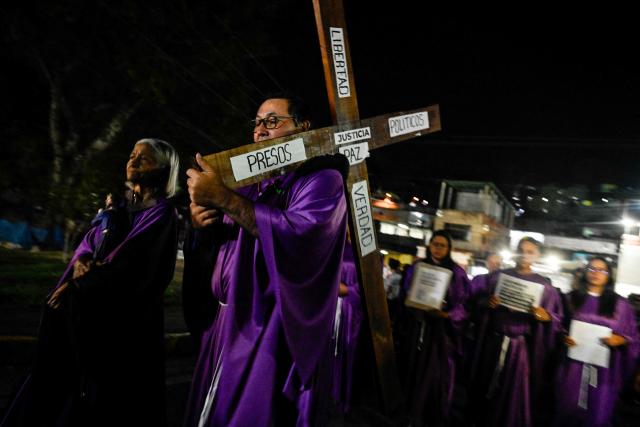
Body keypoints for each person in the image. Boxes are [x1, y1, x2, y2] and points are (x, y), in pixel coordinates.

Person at [182, 94, 349, 426]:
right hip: (224, 324)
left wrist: (223, 199)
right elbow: (222, 240)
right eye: (257, 122)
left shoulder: (321, 180)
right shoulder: (249, 183)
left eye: (272, 121)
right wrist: (199, 225)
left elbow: (300, 236)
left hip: (267, 328)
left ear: (303, 128)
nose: (260, 130)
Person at [1, 138, 180, 427]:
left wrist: (81, 283)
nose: (132, 161)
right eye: (132, 154)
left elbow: (134, 265)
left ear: (162, 169)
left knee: (109, 402)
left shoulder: (162, 215)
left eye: (143, 158)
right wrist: (80, 263)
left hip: (123, 327)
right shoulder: (116, 209)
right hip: (84, 316)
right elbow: (88, 244)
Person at [467, 237, 563, 427]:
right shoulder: (497, 277)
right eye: (521, 250)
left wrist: (546, 317)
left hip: (520, 348)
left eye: (530, 251)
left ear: (538, 256)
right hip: (493, 341)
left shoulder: (545, 287)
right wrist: (487, 303)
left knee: (513, 389)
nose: (525, 255)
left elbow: (556, 320)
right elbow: (475, 304)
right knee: (486, 384)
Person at [552, 257, 639, 427]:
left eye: (602, 270)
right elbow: (558, 326)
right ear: (585, 272)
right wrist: (564, 337)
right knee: (568, 407)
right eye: (592, 269)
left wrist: (621, 339)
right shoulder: (570, 299)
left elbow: (633, 336)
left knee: (598, 411)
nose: (596, 274)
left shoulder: (620, 305)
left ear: (608, 275)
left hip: (605, 369)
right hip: (573, 365)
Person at [402, 230, 470, 427]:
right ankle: (411, 413)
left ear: (449, 249)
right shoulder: (417, 267)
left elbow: (464, 304)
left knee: (437, 373)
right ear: (429, 246)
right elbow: (406, 291)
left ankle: (433, 414)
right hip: (418, 326)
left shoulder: (457, 273)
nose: (438, 248)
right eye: (435, 244)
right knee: (414, 368)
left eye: (442, 245)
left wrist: (448, 315)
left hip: (442, 332)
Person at [330, 239, 363, 414]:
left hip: (349, 311)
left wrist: (348, 290)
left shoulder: (363, 251)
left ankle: (340, 397)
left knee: (344, 351)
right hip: (323, 309)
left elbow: (368, 284)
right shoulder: (327, 242)